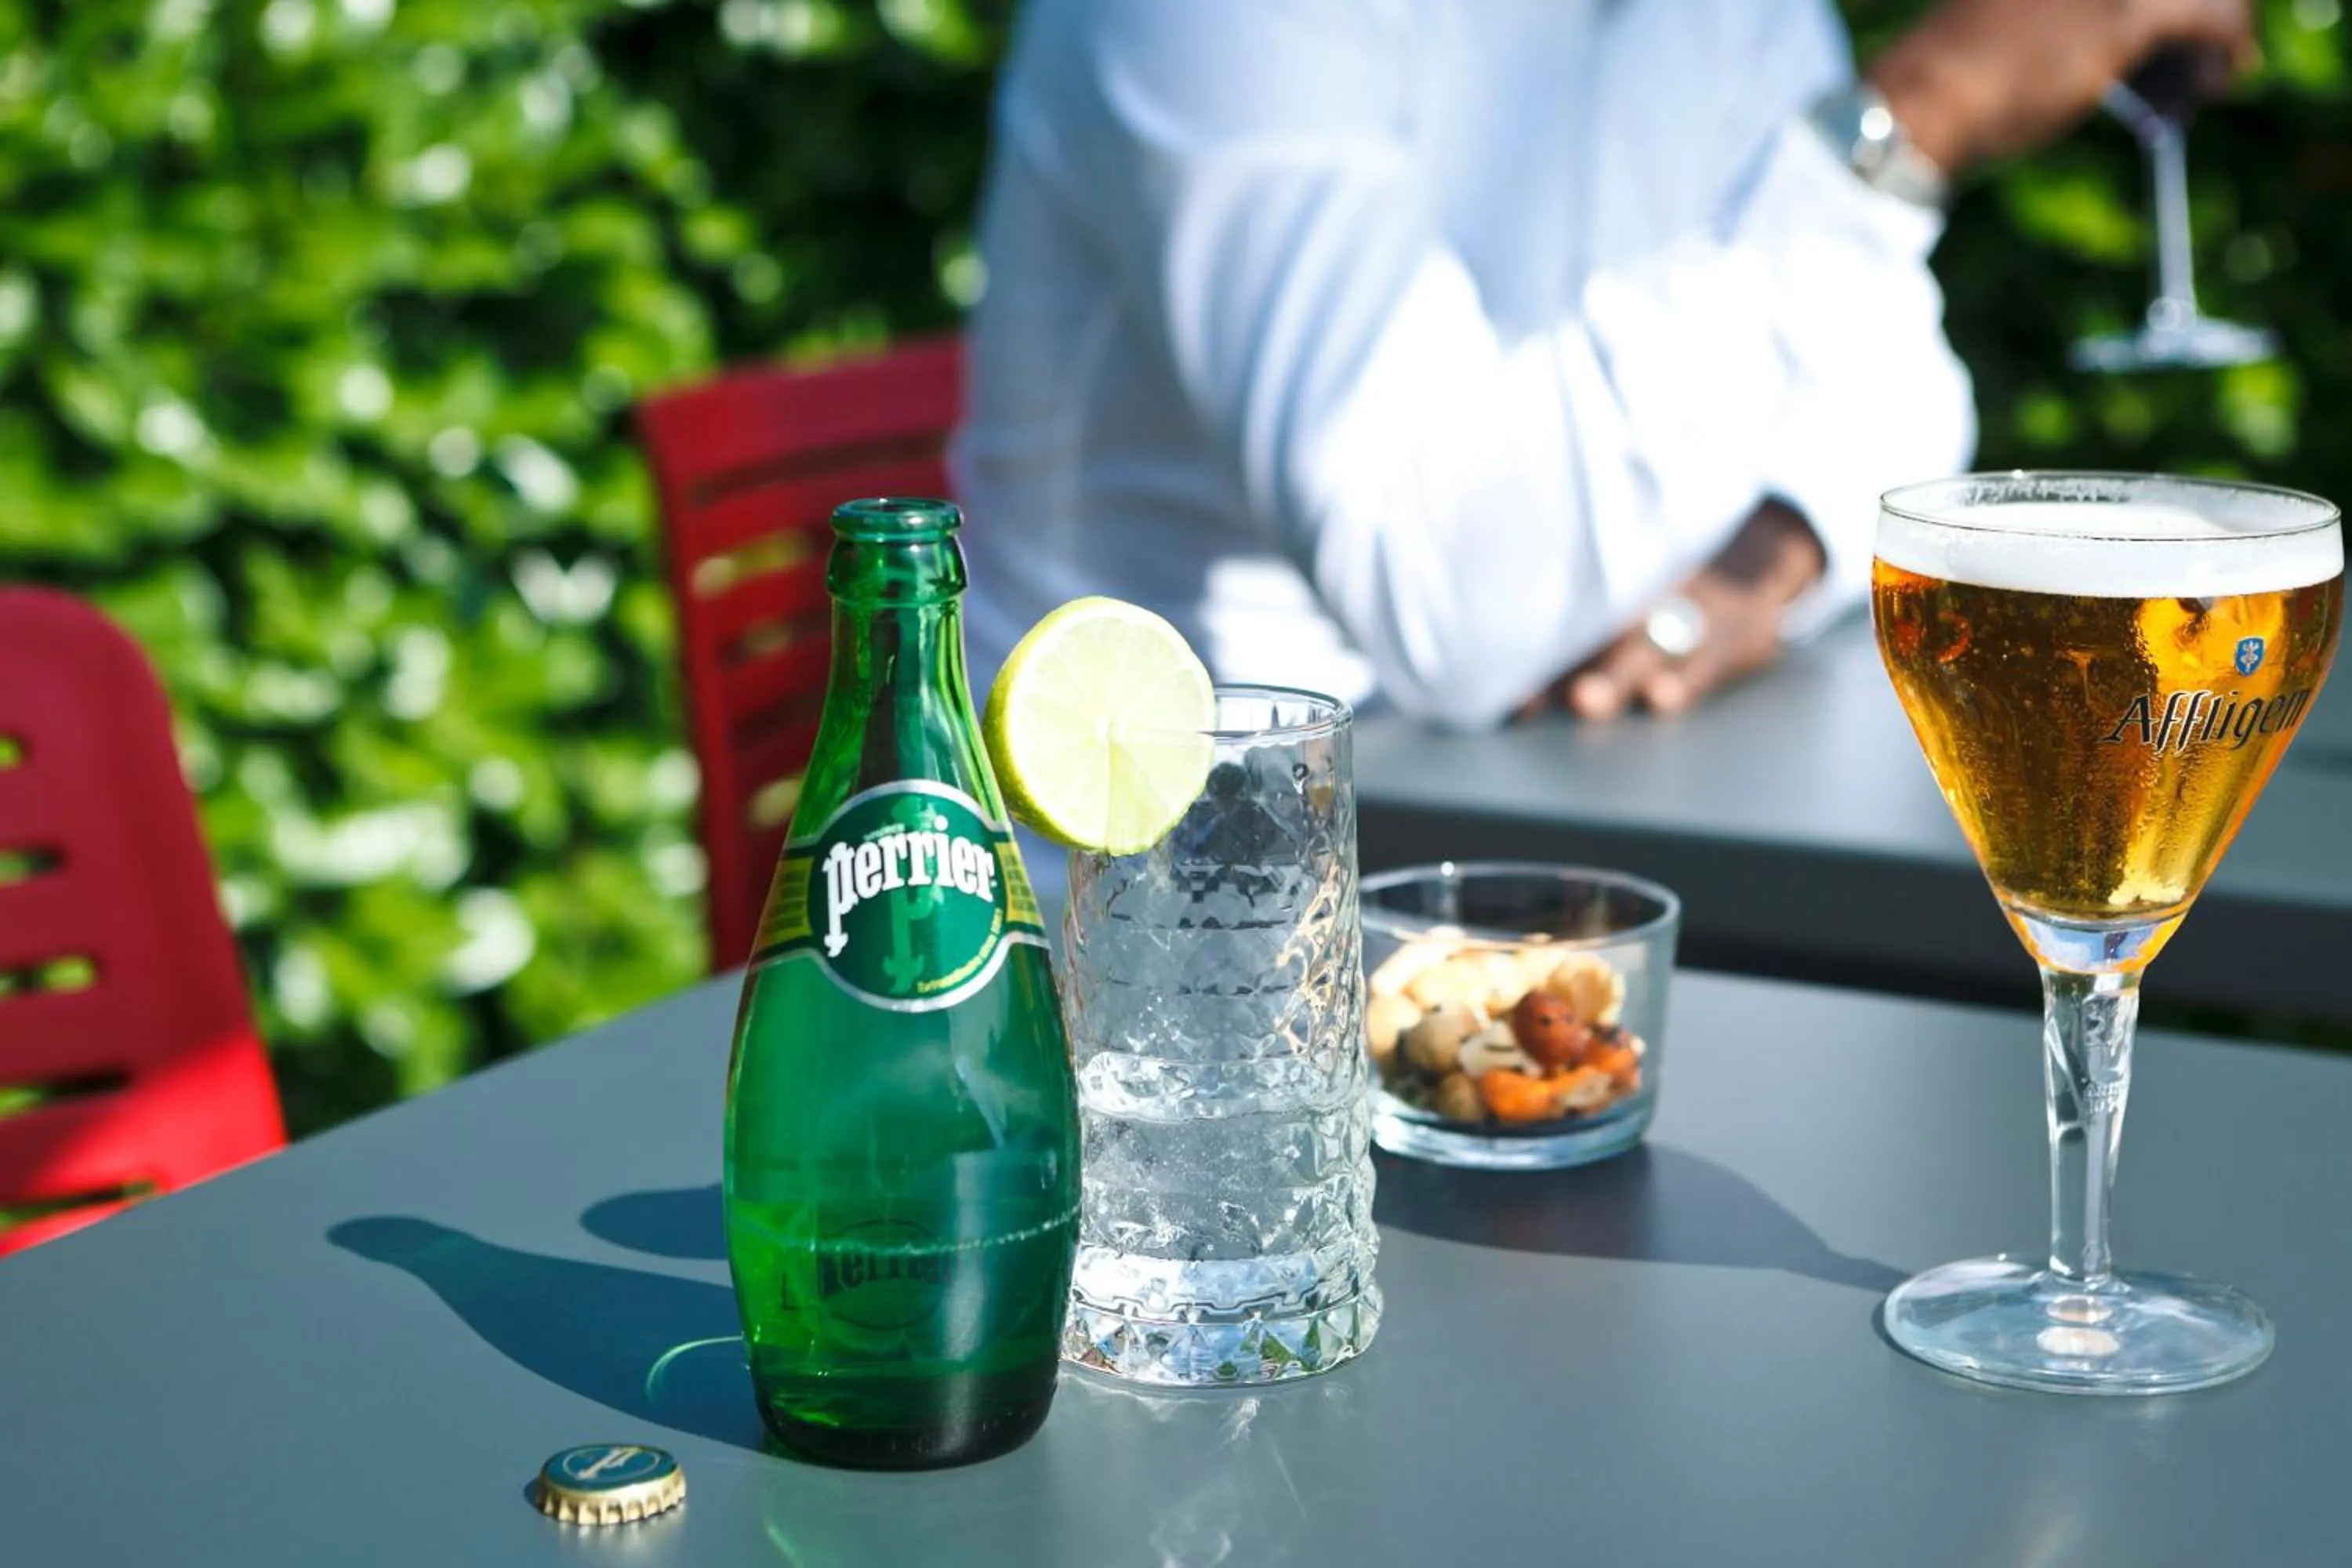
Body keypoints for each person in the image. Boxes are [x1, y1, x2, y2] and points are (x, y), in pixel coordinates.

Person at [950, 0, 2254, 729]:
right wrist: (1917, 115)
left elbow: (1902, 395)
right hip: (1164, 898)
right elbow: (1447, 606)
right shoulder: (1200, 24)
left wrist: (1754, 571)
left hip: (1552, 841)